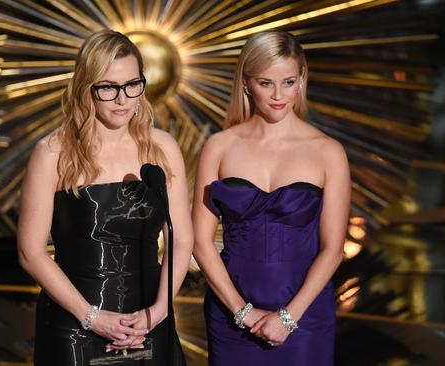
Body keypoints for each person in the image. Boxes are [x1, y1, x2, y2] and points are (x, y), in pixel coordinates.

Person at [17, 30, 192, 365]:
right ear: (86, 88)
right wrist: (92, 317)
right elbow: (30, 253)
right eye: (108, 87)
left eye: (132, 85)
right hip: (74, 325)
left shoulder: (162, 148)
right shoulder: (53, 153)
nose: (123, 99)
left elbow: (181, 239)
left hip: (148, 320)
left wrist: (159, 310)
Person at [192, 30, 350, 365]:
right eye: (266, 83)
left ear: (302, 78)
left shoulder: (328, 152)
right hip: (231, 316)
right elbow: (201, 242)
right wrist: (241, 312)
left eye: (288, 82)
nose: (279, 95)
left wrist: (288, 318)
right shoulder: (219, 147)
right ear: (246, 82)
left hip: (304, 318)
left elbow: (333, 248)